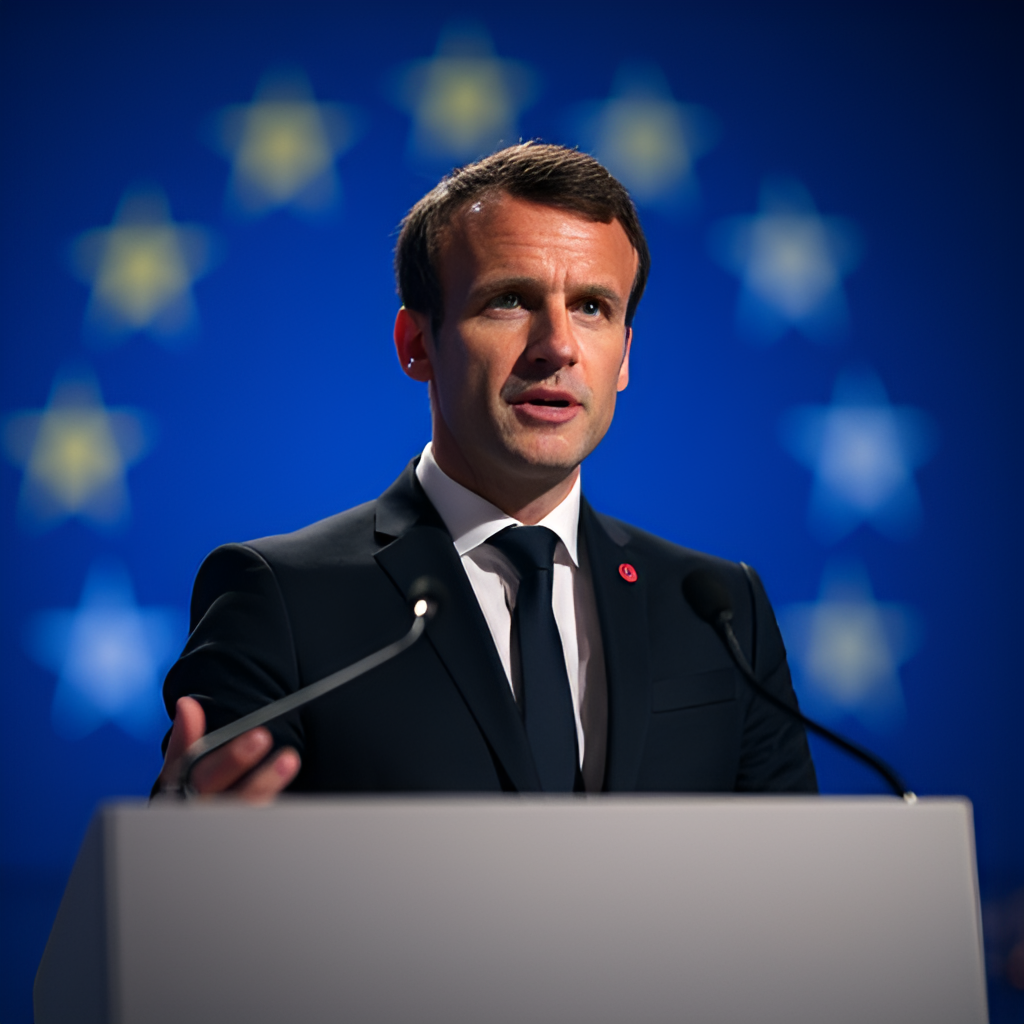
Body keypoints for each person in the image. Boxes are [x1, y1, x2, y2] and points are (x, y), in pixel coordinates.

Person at [155, 143, 817, 800]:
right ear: (417, 345)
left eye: (592, 307)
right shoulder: (281, 600)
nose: (557, 346)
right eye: (509, 300)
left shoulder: (721, 612)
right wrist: (191, 846)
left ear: (622, 358)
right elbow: (197, 866)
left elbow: (795, 886)